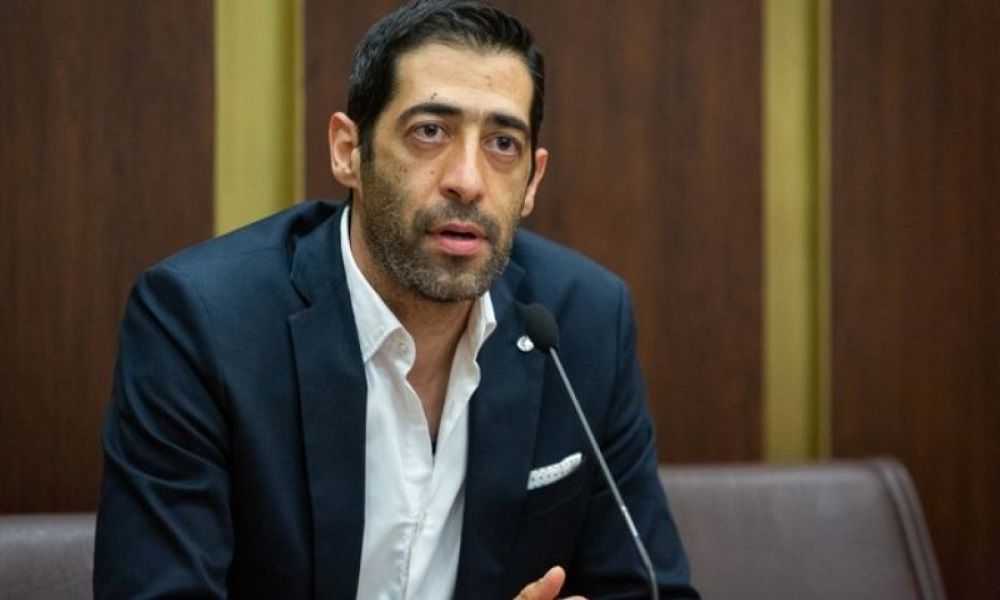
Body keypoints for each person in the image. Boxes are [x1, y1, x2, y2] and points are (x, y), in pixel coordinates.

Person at [94, 1, 698, 598]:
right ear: (348, 151)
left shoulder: (582, 322)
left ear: (533, 181)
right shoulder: (204, 323)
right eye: (429, 131)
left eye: (502, 143)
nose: (468, 180)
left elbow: (649, 587)